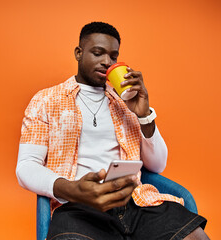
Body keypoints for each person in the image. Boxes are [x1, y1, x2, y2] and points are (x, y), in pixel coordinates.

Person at [16, 22, 208, 240]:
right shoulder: (46, 100)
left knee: (195, 237)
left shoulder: (124, 101)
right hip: (79, 206)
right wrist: (71, 190)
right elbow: (26, 166)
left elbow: (157, 165)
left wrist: (143, 115)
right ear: (78, 53)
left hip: (136, 201)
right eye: (98, 53)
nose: (107, 62)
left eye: (113, 56)